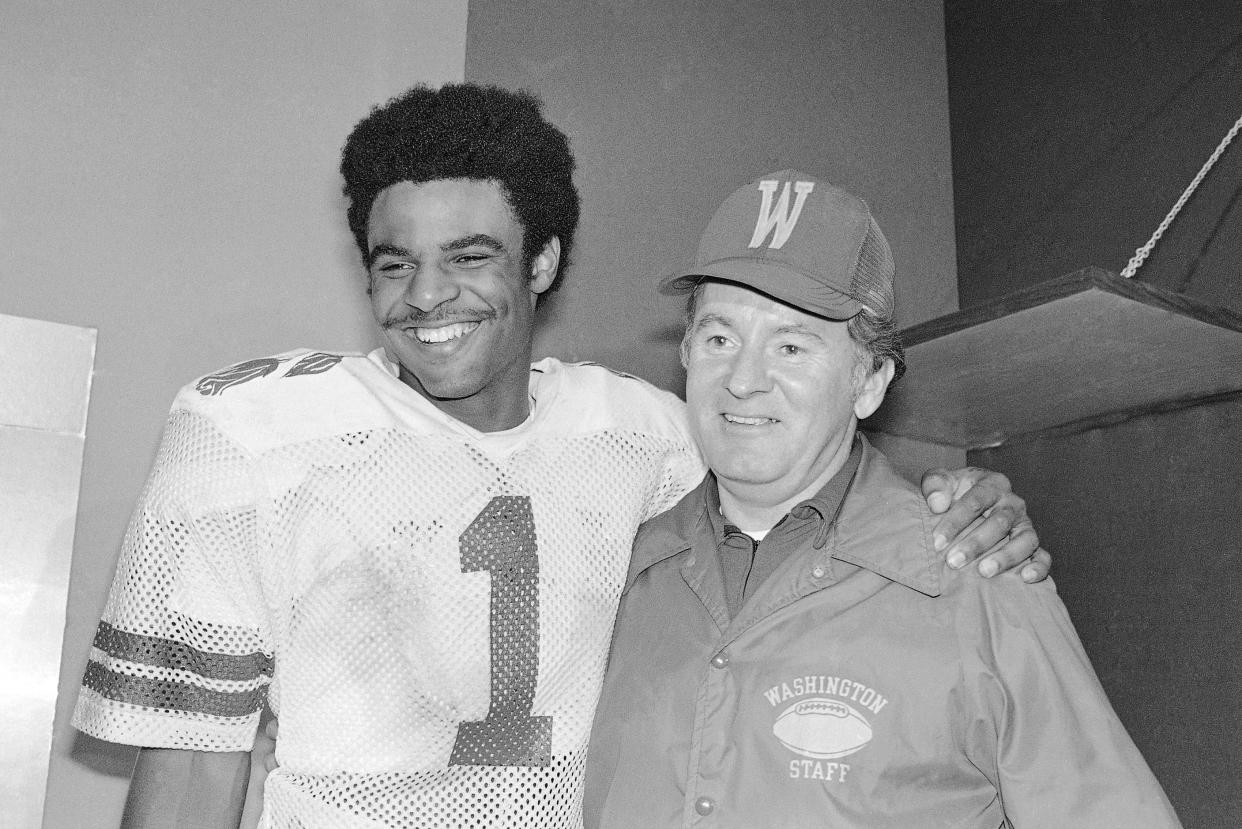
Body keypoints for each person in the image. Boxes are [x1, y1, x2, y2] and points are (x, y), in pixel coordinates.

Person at [73, 86, 1046, 829]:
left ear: (541, 261)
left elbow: (818, 541)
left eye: (469, 257)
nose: (426, 297)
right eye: (394, 261)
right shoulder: (251, 433)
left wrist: (961, 511)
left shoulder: (653, 438)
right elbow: (194, 764)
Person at [583, 171, 1182, 828]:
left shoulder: (976, 579)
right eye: (721, 338)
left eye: (791, 345)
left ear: (868, 382)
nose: (744, 379)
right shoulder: (623, 571)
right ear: (689, 355)